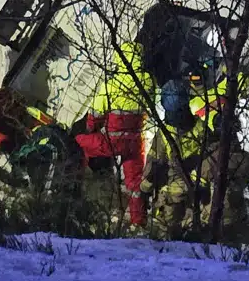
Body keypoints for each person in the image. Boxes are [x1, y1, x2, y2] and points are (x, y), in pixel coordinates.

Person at [75, 41, 156, 227]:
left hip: (112, 141)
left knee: (78, 142)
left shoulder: (112, 85)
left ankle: (76, 188)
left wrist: (89, 130)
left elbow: (95, 116)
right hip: (136, 141)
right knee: (135, 184)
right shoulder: (147, 81)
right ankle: (139, 222)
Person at [139, 119, 207, 240]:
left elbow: (154, 165)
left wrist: (144, 190)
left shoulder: (165, 131)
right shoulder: (201, 127)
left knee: (167, 230)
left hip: (175, 189)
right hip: (199, 185)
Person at [195, 115, 249, 240]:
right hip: (237, 218)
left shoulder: (209, 158)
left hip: (210, 217)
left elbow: (199, 176)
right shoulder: (247, 159)